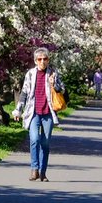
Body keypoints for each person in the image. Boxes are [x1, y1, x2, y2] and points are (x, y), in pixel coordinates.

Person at [12, 48, 64, 182]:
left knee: (45, 143)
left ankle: (43, 172)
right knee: (34, 139)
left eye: (45, 59)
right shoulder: (30, 74)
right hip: (33, 112)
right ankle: (34, 169)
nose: (42, 61)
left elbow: (62, 90)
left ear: (48, 60)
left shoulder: (53, 73)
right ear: (35, 61)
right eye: (39, 59)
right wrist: (18, 110)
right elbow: (24, 93)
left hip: (48, 113)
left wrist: (54, 84)